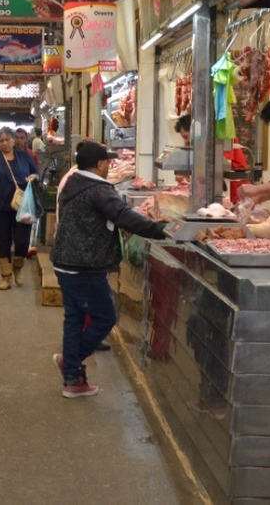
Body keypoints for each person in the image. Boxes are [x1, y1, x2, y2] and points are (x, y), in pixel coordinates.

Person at [50, 141, 168, 398]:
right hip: (84, 266)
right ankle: (70, 364)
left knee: (74, 319)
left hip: (65, 262)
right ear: (101, 164)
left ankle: (73, 378)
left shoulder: (73, 181)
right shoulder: (98, 189)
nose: (110, 166)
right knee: (105, 316)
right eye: (108, 162)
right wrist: (161, 230)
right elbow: (123, 215)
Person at [0, 126, 39, 290]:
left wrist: (34, 177)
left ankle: (18, 269)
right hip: (0, 207)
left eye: (7, 140)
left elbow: (36, 173)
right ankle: (6, 278)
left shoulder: (24, 157)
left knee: (22, 242)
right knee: (3, 242)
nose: (4, 143)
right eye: (1, 140)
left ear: (13, 140)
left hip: (22, 207)